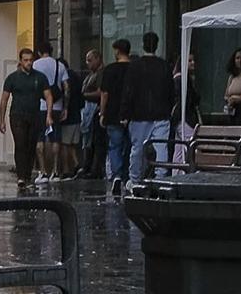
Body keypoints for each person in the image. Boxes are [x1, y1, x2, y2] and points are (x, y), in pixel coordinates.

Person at [125, 32, 178, 178]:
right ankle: (161, 176)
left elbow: (129, 92)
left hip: (139, 115)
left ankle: (135, 179)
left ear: (143, 44)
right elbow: (170, 91)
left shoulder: (135, 66)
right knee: (161, 148)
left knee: (137, 150)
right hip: (161, 114)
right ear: (157, 45)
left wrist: (125, 113)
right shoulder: (164, 66)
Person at [0, 46, 52, 190]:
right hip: (17, 115)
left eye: (30, 60)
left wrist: (49, 115)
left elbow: (48, 96)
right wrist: (2, 120)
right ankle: (21, 176)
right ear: (20, 61)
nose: (28, 63)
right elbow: (4, 99)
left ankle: (27, 175)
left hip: (34, 115)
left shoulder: (40, 77)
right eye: (26, 60)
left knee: (30, 145)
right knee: (20, 144)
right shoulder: (13, 78)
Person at [31, 43, 68, 184]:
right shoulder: (60, 66)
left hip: (40, 106)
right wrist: (65, 107)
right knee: (56, 138)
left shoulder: (35, 65)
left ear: (39, 52)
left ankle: (43, 171)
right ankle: (55, 172)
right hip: (57, 106)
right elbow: (66, 88)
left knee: (40, 138)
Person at [100, 39, 134, 194]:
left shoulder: (110, 70)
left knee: (114, 146)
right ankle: (128, 176)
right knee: (130, 145)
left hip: (113, 112)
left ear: (118, 51)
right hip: (132, 113)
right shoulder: (134, 68)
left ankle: (117, 175)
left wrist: (102, 112)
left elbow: (104, 93)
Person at [76, 50, 104, 180]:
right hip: (87, 109)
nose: (88, 63)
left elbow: (100, 92)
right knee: (87, 139)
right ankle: (87, 165)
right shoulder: (90, 75)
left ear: (98, 59)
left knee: (95, 140)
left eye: (90, 60)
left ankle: (94, 168)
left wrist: (84, 95)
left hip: (94, 108)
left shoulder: (100, 74)